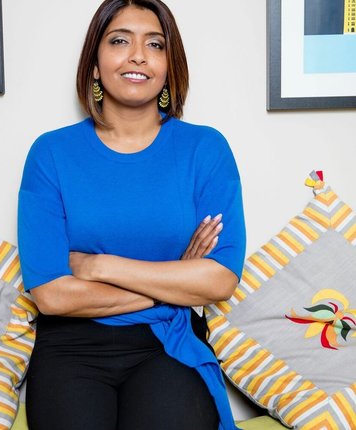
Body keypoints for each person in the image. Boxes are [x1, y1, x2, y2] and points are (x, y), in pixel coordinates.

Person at [18, 0, 246, 429]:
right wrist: (175, 281)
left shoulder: (205, 148)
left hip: (166, 341)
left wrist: (100, 266)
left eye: (155, 44)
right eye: (120, 41)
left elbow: (219, 280)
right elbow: (52, 295)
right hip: (70, 348)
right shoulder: (50, 153)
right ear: (94, 65)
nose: (138, 55)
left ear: (169, 66)